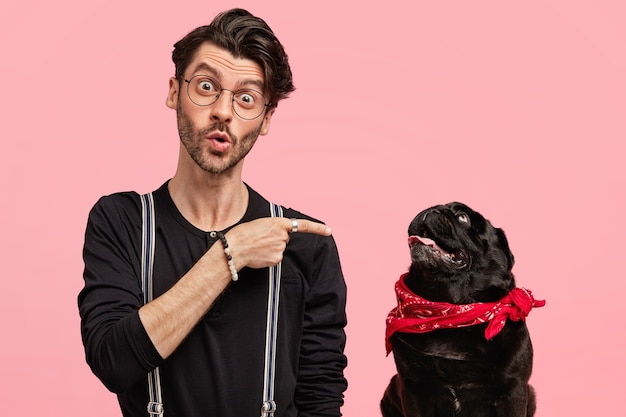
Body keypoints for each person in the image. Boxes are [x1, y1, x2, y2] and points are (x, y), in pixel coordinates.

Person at [78, 8, 348, 417]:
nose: (223, 111)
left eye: (246, 98)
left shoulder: (304, 244)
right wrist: (230, 254)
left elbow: (321, 399)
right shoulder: (122, 222)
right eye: (206, 86)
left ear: (267, 117)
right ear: (174, 92)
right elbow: (112, 361)